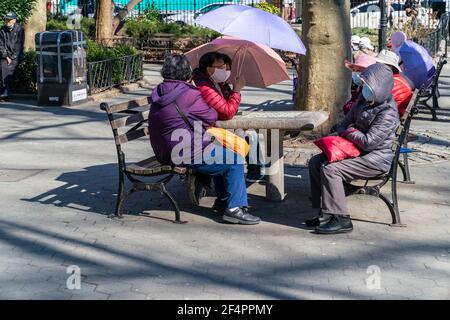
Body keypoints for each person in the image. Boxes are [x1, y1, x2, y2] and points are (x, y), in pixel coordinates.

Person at [149, 54, 260, 225]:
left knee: (222, 152)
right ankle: (234, 209)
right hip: (183, 150)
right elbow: (211, 116)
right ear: (186, 73)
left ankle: (223, 200)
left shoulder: (159, 90)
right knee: (234, 160)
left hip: (163, 149)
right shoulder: (188, 94)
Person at [306, 64, 400, 234]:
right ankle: (325, 213)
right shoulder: (364, 100)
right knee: (315, 162)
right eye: (364, 84)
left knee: (330, 170)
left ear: (379, 87)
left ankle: (341, 219)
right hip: (356, 151)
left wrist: (349, 130)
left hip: (374, 159)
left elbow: (368, 142)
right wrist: (346, 129)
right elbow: (343, 123)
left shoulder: (388, 112)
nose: (364, 89)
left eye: (368, 86)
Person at [192, 52, 264, 183]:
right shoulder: (204, 86)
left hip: (218, 125)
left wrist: (230, 91)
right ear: (209, 69)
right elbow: (226, 112)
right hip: (208, 130)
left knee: (251, 133)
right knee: (248, 135)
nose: (225, 71)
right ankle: (253, 171)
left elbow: (230, 108)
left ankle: (255, 171)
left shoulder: (217, 83)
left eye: (226, 67)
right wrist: (236, 90)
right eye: (221, 67)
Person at [0, 12, 24, 100]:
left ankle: (6, 91)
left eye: (9, 20)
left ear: (14, 20)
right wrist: (6, 56)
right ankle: (6, 92)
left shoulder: (19, 29)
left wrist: (12, 57)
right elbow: (1, 45)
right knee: (3, 65)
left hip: (16, 56)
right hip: (5, 56)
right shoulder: (2, 30)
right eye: (6, 20)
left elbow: (19, 45)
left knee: (8, 68)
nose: (7, 22)